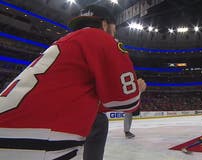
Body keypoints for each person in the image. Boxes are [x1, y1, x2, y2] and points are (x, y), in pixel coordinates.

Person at [0, 4, 146, 160]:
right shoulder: (102, 38)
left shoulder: (62, 42)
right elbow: (127, 102)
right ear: (105, 24)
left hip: (9, 126)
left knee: (98, 121)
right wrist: (137, 89)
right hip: (33, 141)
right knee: (100, 121)